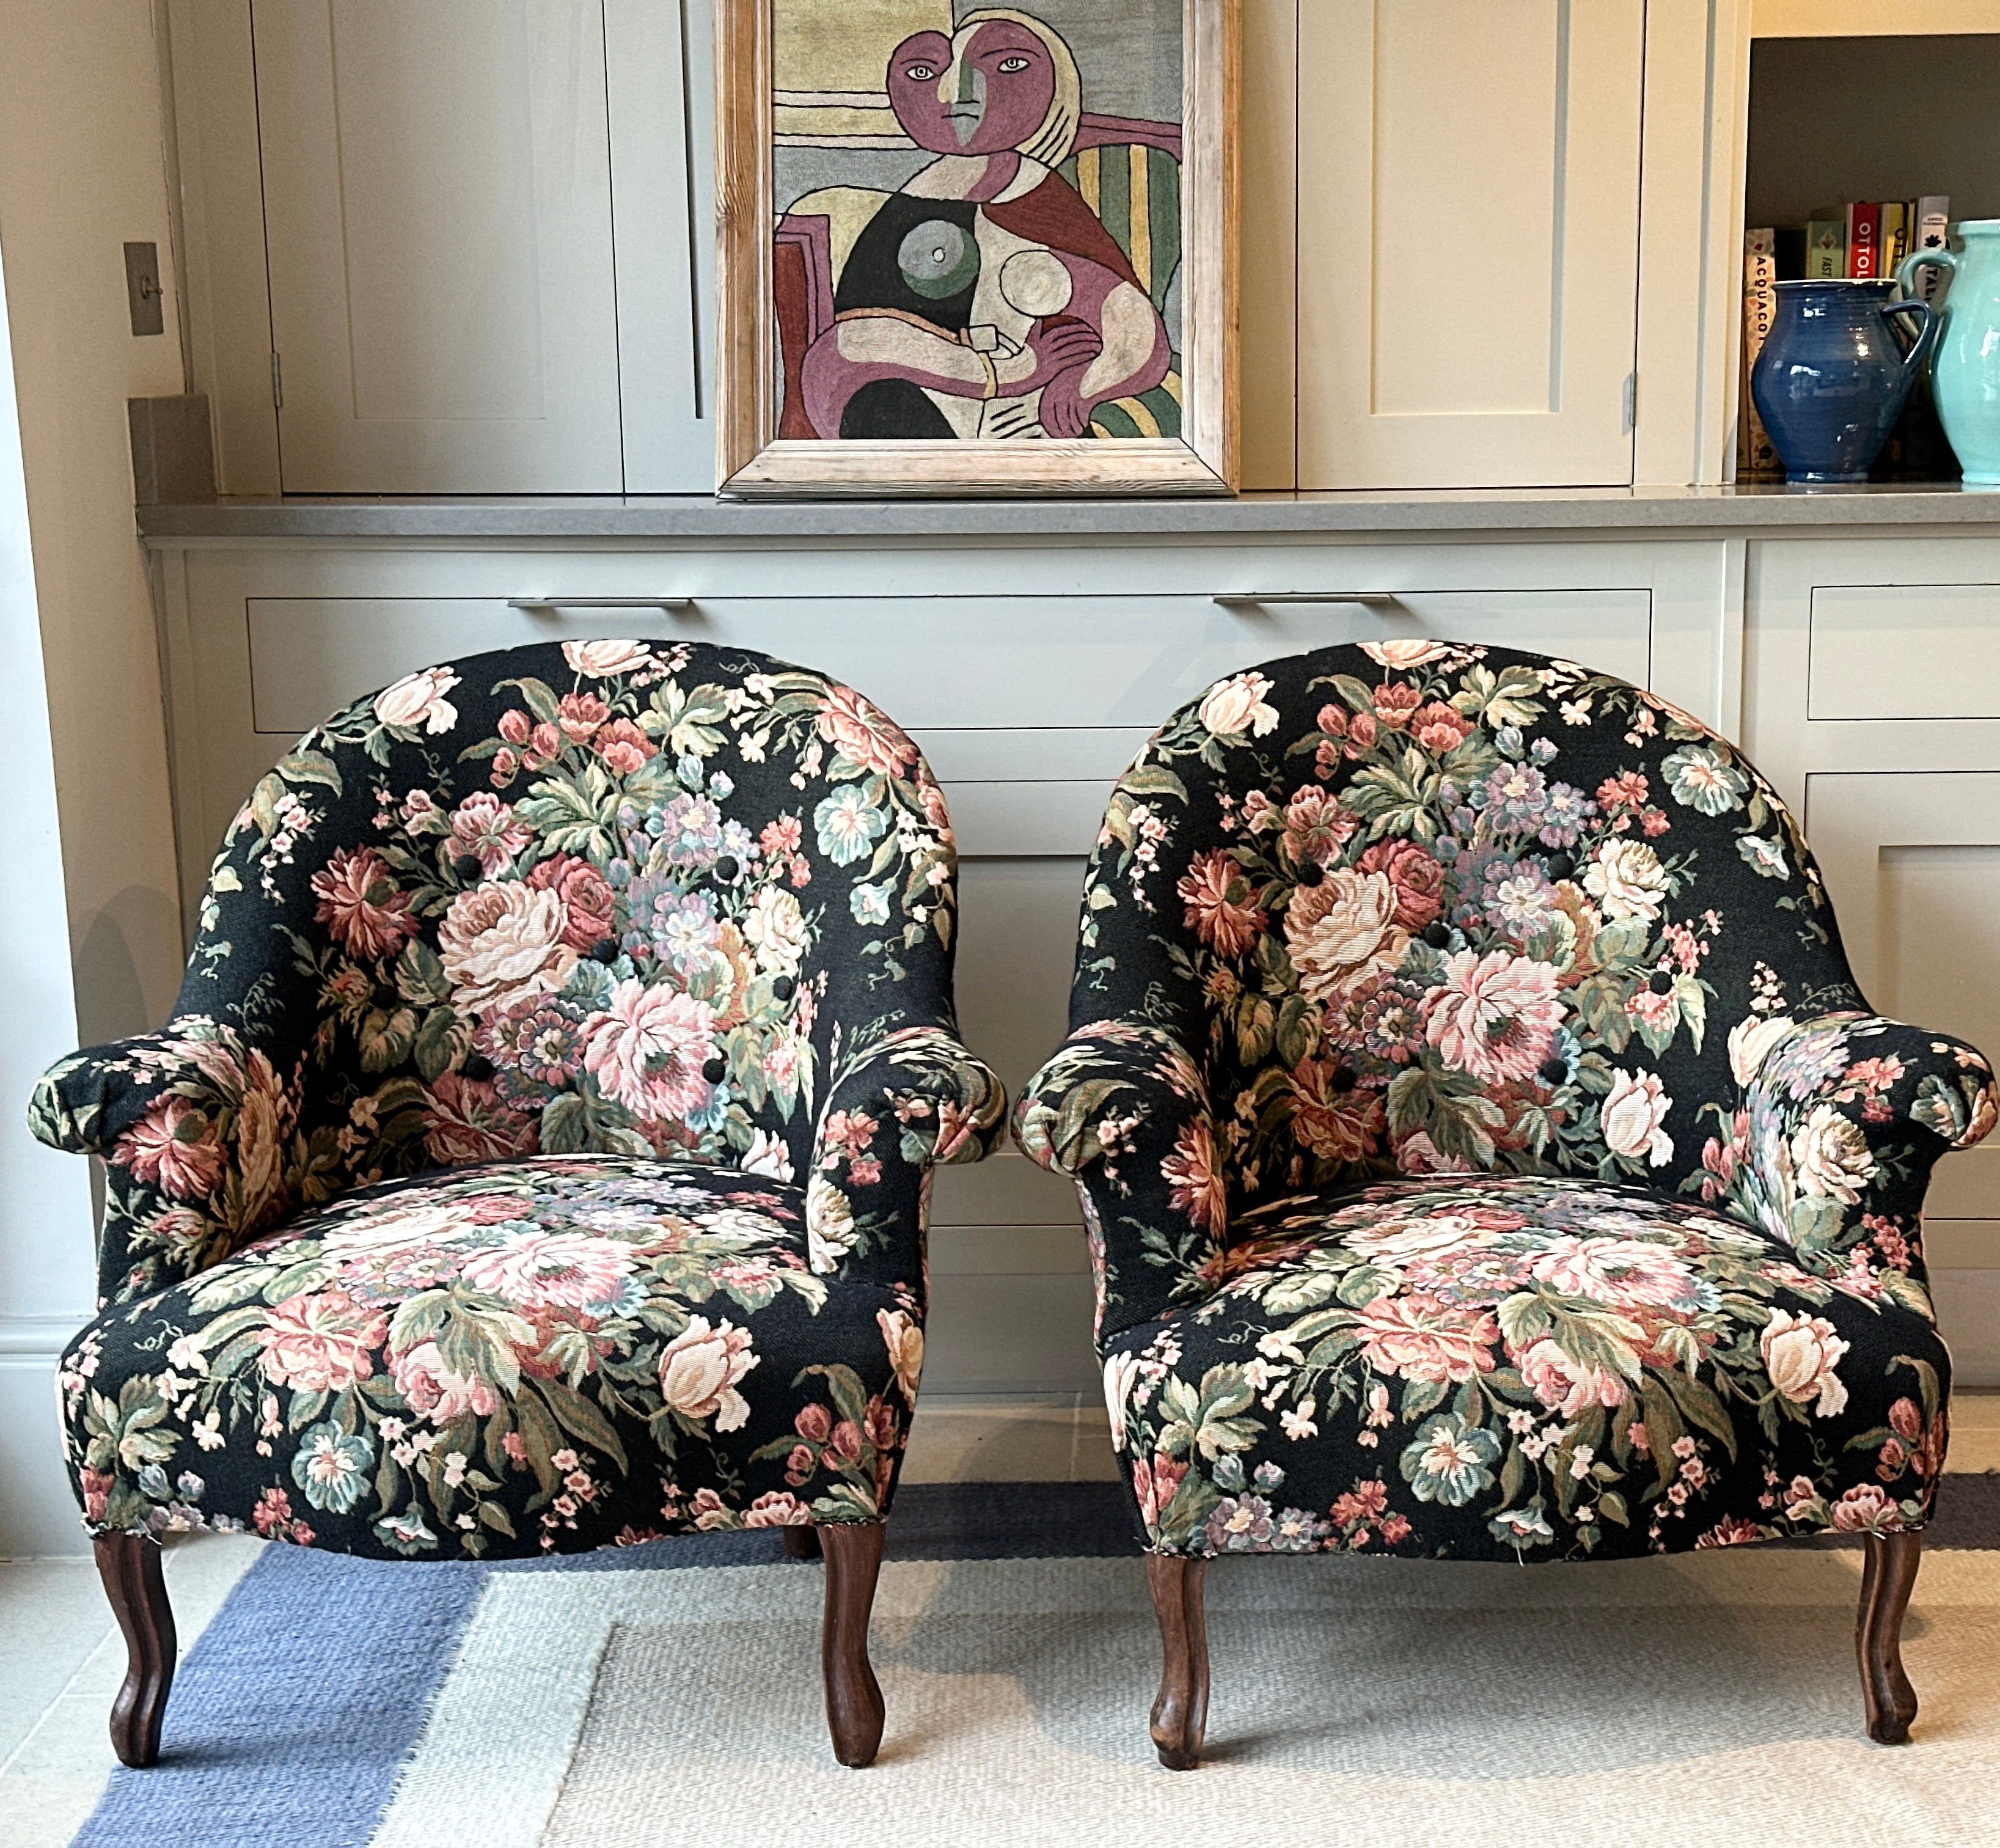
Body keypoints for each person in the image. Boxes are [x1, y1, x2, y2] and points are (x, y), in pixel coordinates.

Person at [796, 7, 1173, 441]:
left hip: (1022, 420)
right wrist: (1010, 372)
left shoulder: (1038, 198)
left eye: (1008, 66)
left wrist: (1083, 387)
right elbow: (853, 346)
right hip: (922, 405)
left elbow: (1132, 325)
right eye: (923, 71)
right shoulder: (913, 202)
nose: (959, 94)